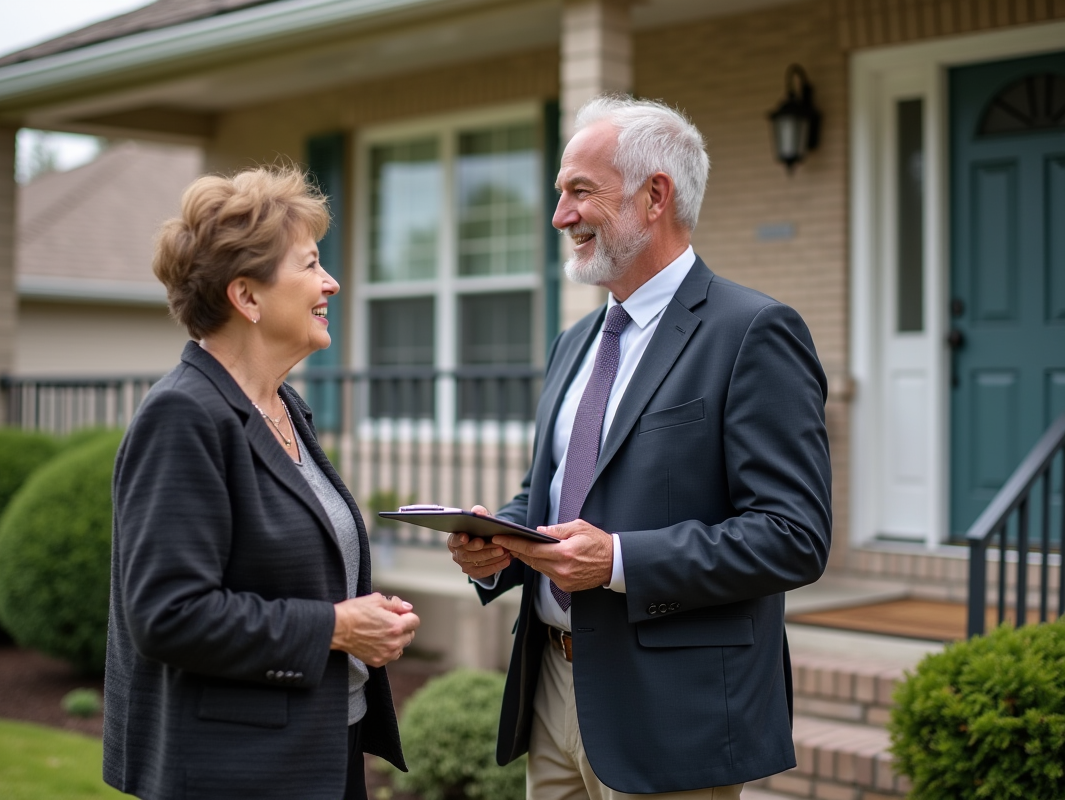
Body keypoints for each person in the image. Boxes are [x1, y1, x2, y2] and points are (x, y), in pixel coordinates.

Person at [447, 95, 832, 799]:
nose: (560, 216)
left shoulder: (753, 332)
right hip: (552, 693)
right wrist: (496, 542)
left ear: (655, 195)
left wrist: (619, 561)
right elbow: (560, 489)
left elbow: (793, 536)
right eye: (559, 194)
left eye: (579, 192)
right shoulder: (577, 341)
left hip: (670, 716)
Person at [103, 165, 419, 800]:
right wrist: (334, 626)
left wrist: (363, 619)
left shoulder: (282, 406)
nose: (330, 283)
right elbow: (168, 616)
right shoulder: (184, 416)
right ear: (246, 297)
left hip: (327, 746)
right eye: (308, 266)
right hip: (239, 769)